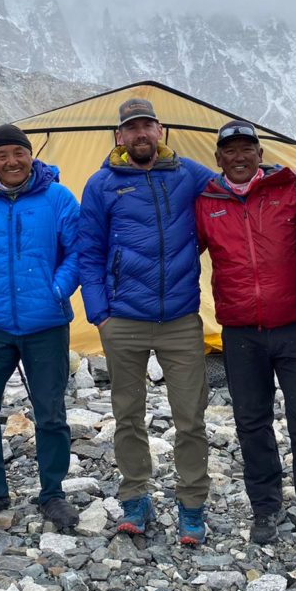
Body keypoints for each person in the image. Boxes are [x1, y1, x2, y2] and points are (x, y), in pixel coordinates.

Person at [194, 121, 296, 563]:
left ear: (260, 154)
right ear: (218, 158)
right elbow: (185, 253)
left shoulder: (290, 191)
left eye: (247, 150)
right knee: (251, 422)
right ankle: (266, 506)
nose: (238, 158)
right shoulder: (206, 201)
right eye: (229, 151)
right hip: (240, 332)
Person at [78, 97, 216, 545]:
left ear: (160, 131)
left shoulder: (188, 174)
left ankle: (192, 504)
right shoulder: (101, 185)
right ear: (119, 137)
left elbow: (234, 193)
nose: (140, 134)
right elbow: (90, 252)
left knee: (190, 417)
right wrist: (100, 314)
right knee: (129, 415)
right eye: (131, 128)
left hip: (180, 319)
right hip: (124, 319)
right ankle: (135, 497)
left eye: (147, 126)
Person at [0, 125, 81, 530]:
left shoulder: (58, 198)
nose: (10, 162)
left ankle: (53, 494)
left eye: (17, 153)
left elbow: (77, 252)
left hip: (47, 322)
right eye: (1, 155)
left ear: (30, 155)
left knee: (50, 412)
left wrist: (57, 289)